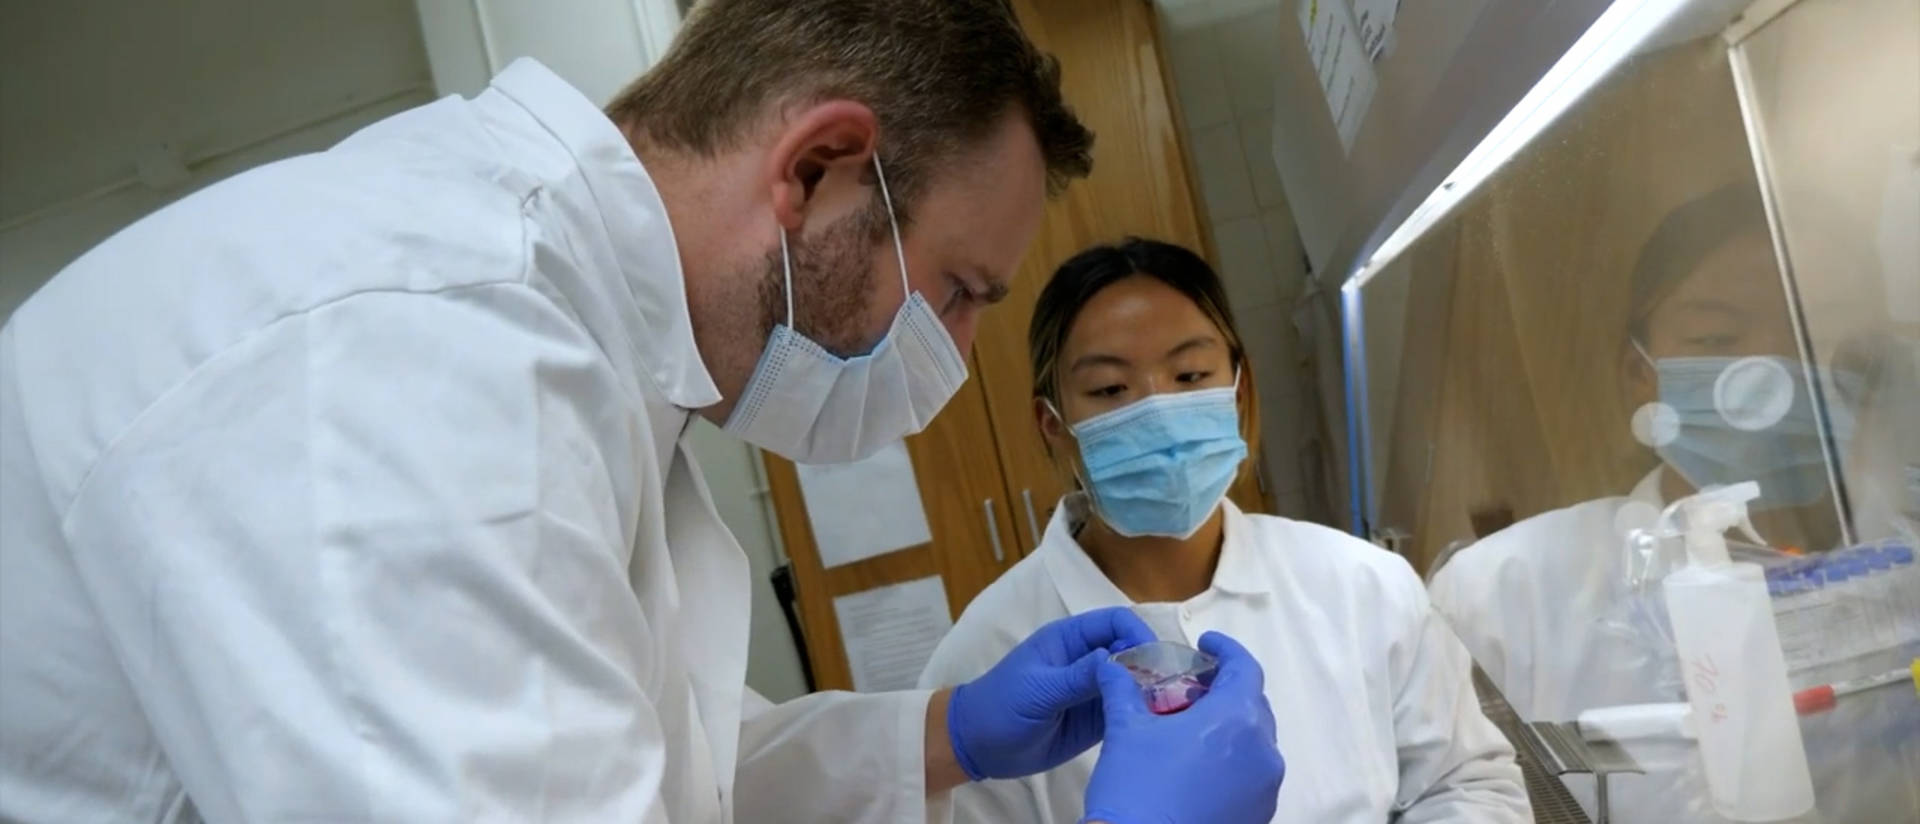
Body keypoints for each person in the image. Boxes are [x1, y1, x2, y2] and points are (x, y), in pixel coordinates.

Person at [0, 2, 1286, 821]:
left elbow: (667, 760)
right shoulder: (426, 347)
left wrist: (945, 732)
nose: (951, 358)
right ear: (818, 170)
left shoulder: (599, 350)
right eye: (955, 290)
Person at [917, 238, 1530, 822]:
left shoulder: (1364, 585)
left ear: (1238, 388)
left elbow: (1466, 783)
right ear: (1052, 423)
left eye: (1189, 376)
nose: (1157, 409)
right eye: (1109, 388)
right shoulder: (984, 662)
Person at [1428, 184, 1920, 822]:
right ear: (1639, 374)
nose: (1771, 368)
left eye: (1813, 332)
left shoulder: (1903, 565)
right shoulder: (1509, 594)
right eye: (1716, 338)